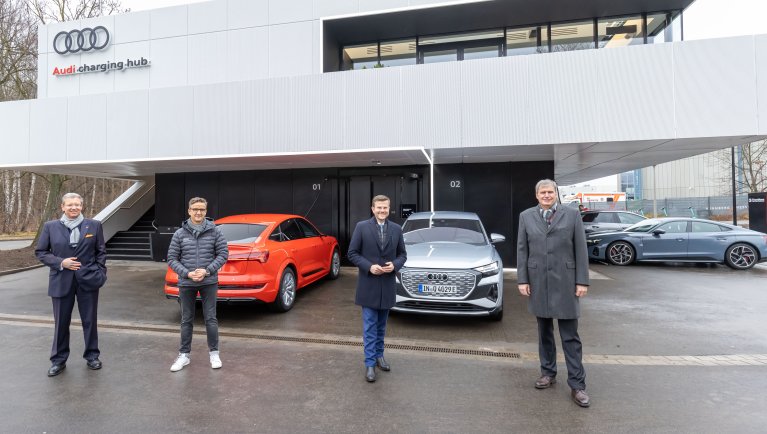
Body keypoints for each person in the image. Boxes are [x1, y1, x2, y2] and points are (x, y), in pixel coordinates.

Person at [516, 179, 591, 407]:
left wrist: (582, 281)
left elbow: (580, 248)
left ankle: (577, 385)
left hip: (567, 282)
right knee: (544, 333)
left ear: (556, 194)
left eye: (550, 192)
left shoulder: (572, 215)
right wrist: (522, 279)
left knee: (570, 336)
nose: (547, 195)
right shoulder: (526, 216)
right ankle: (548, 373)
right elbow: (522, 249)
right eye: (543, 192)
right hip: (539, 282)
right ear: (536, 195)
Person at [35, 192, 107, 377]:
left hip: (88, 281)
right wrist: (61, 262)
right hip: (61, 280)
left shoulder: (94, 225)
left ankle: (92, 356)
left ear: (82, 206)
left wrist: (100, 272)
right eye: (70, 205)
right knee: (61, 323)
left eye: (77, 204)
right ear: (62, 207)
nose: (74, 207)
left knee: (89, 321)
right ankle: (58, 360)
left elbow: (101, 252)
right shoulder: (51, 227)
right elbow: (41, 252)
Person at [347, 195, 407, 383]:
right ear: (372, 209)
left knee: (381, 326)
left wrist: (395, 265)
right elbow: (352, 253)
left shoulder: (397, 229)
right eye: (379, 208)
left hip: (387, 285)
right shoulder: (362, 227)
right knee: (370, 326)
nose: (382, 211)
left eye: (385, 208)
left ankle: (380, 356)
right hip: (368, 285)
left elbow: (403, 255)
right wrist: (369, 266)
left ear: (389, 209)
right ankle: (370, 363)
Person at [166, 197, 228, 372]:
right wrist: (187, 273)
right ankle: (184, 355)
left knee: (211, 318)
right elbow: (172, 258)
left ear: (206, 211)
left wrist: (207, 271)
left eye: (201, 209)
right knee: (186, 319)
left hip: (208, 282)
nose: (198, 212)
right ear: (189, 211)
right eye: (195, 209)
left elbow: (223, 254)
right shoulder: (179, 234)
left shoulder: (215, 232)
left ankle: (214, 353)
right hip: (186, 283)